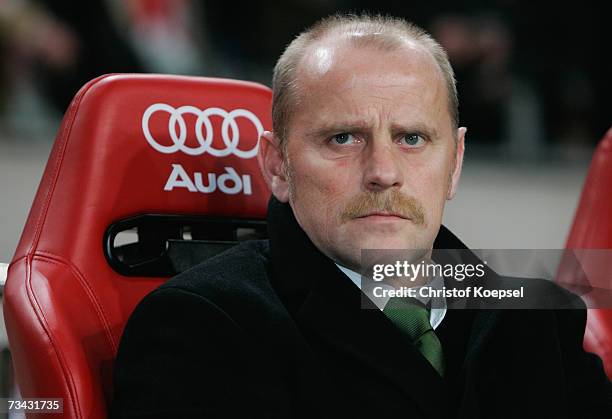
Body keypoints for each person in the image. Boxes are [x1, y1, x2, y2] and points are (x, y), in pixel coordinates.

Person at [111, 14, 612, 418]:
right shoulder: (199, 327)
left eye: (412, 138)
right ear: (276, 165)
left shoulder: (541, 318)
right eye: (343, 138)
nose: (383, 172)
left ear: (455, 163)